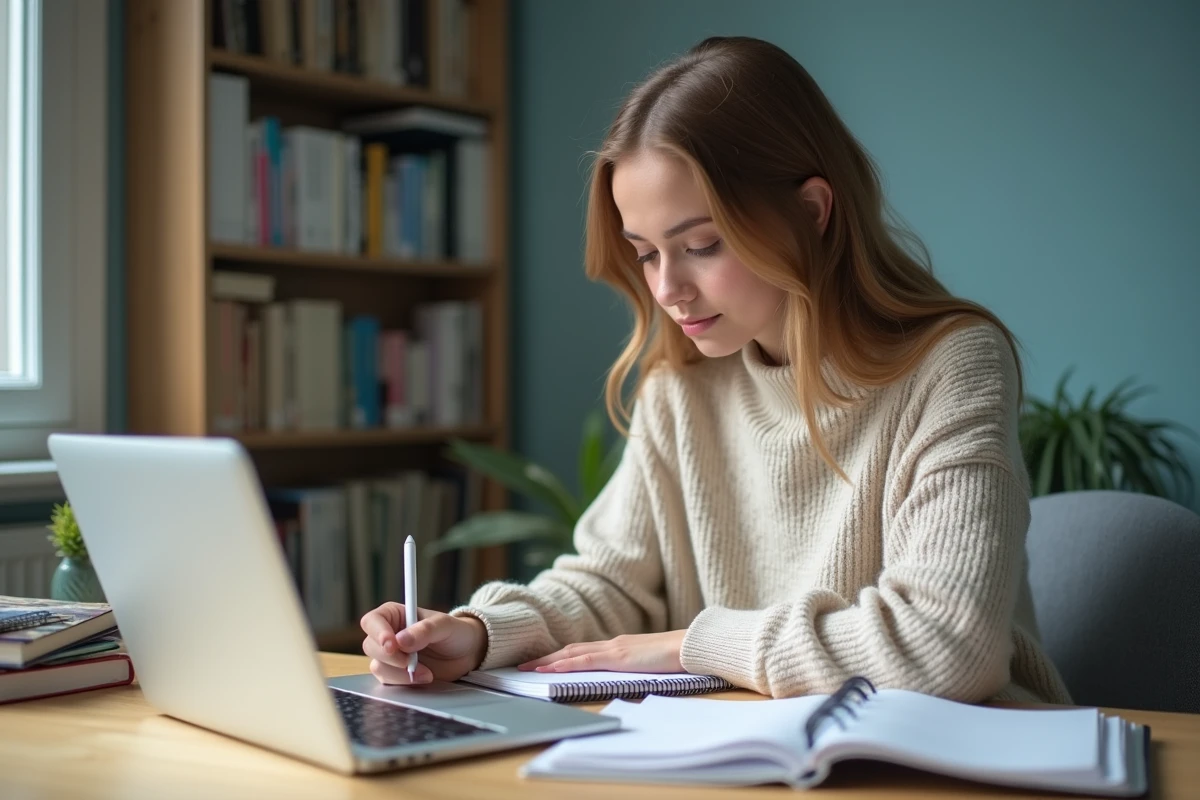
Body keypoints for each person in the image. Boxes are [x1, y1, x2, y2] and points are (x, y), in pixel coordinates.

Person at [359, 35, 1072, 705]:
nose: (667, 289)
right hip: (754, 750)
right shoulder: (682, 388)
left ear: (813, 210)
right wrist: (479, 633)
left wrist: (690, 647)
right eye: (645, 251)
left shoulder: (952, 363)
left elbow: (948, 645)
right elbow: (613, 583)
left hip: (959, 760)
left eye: (701, 244)